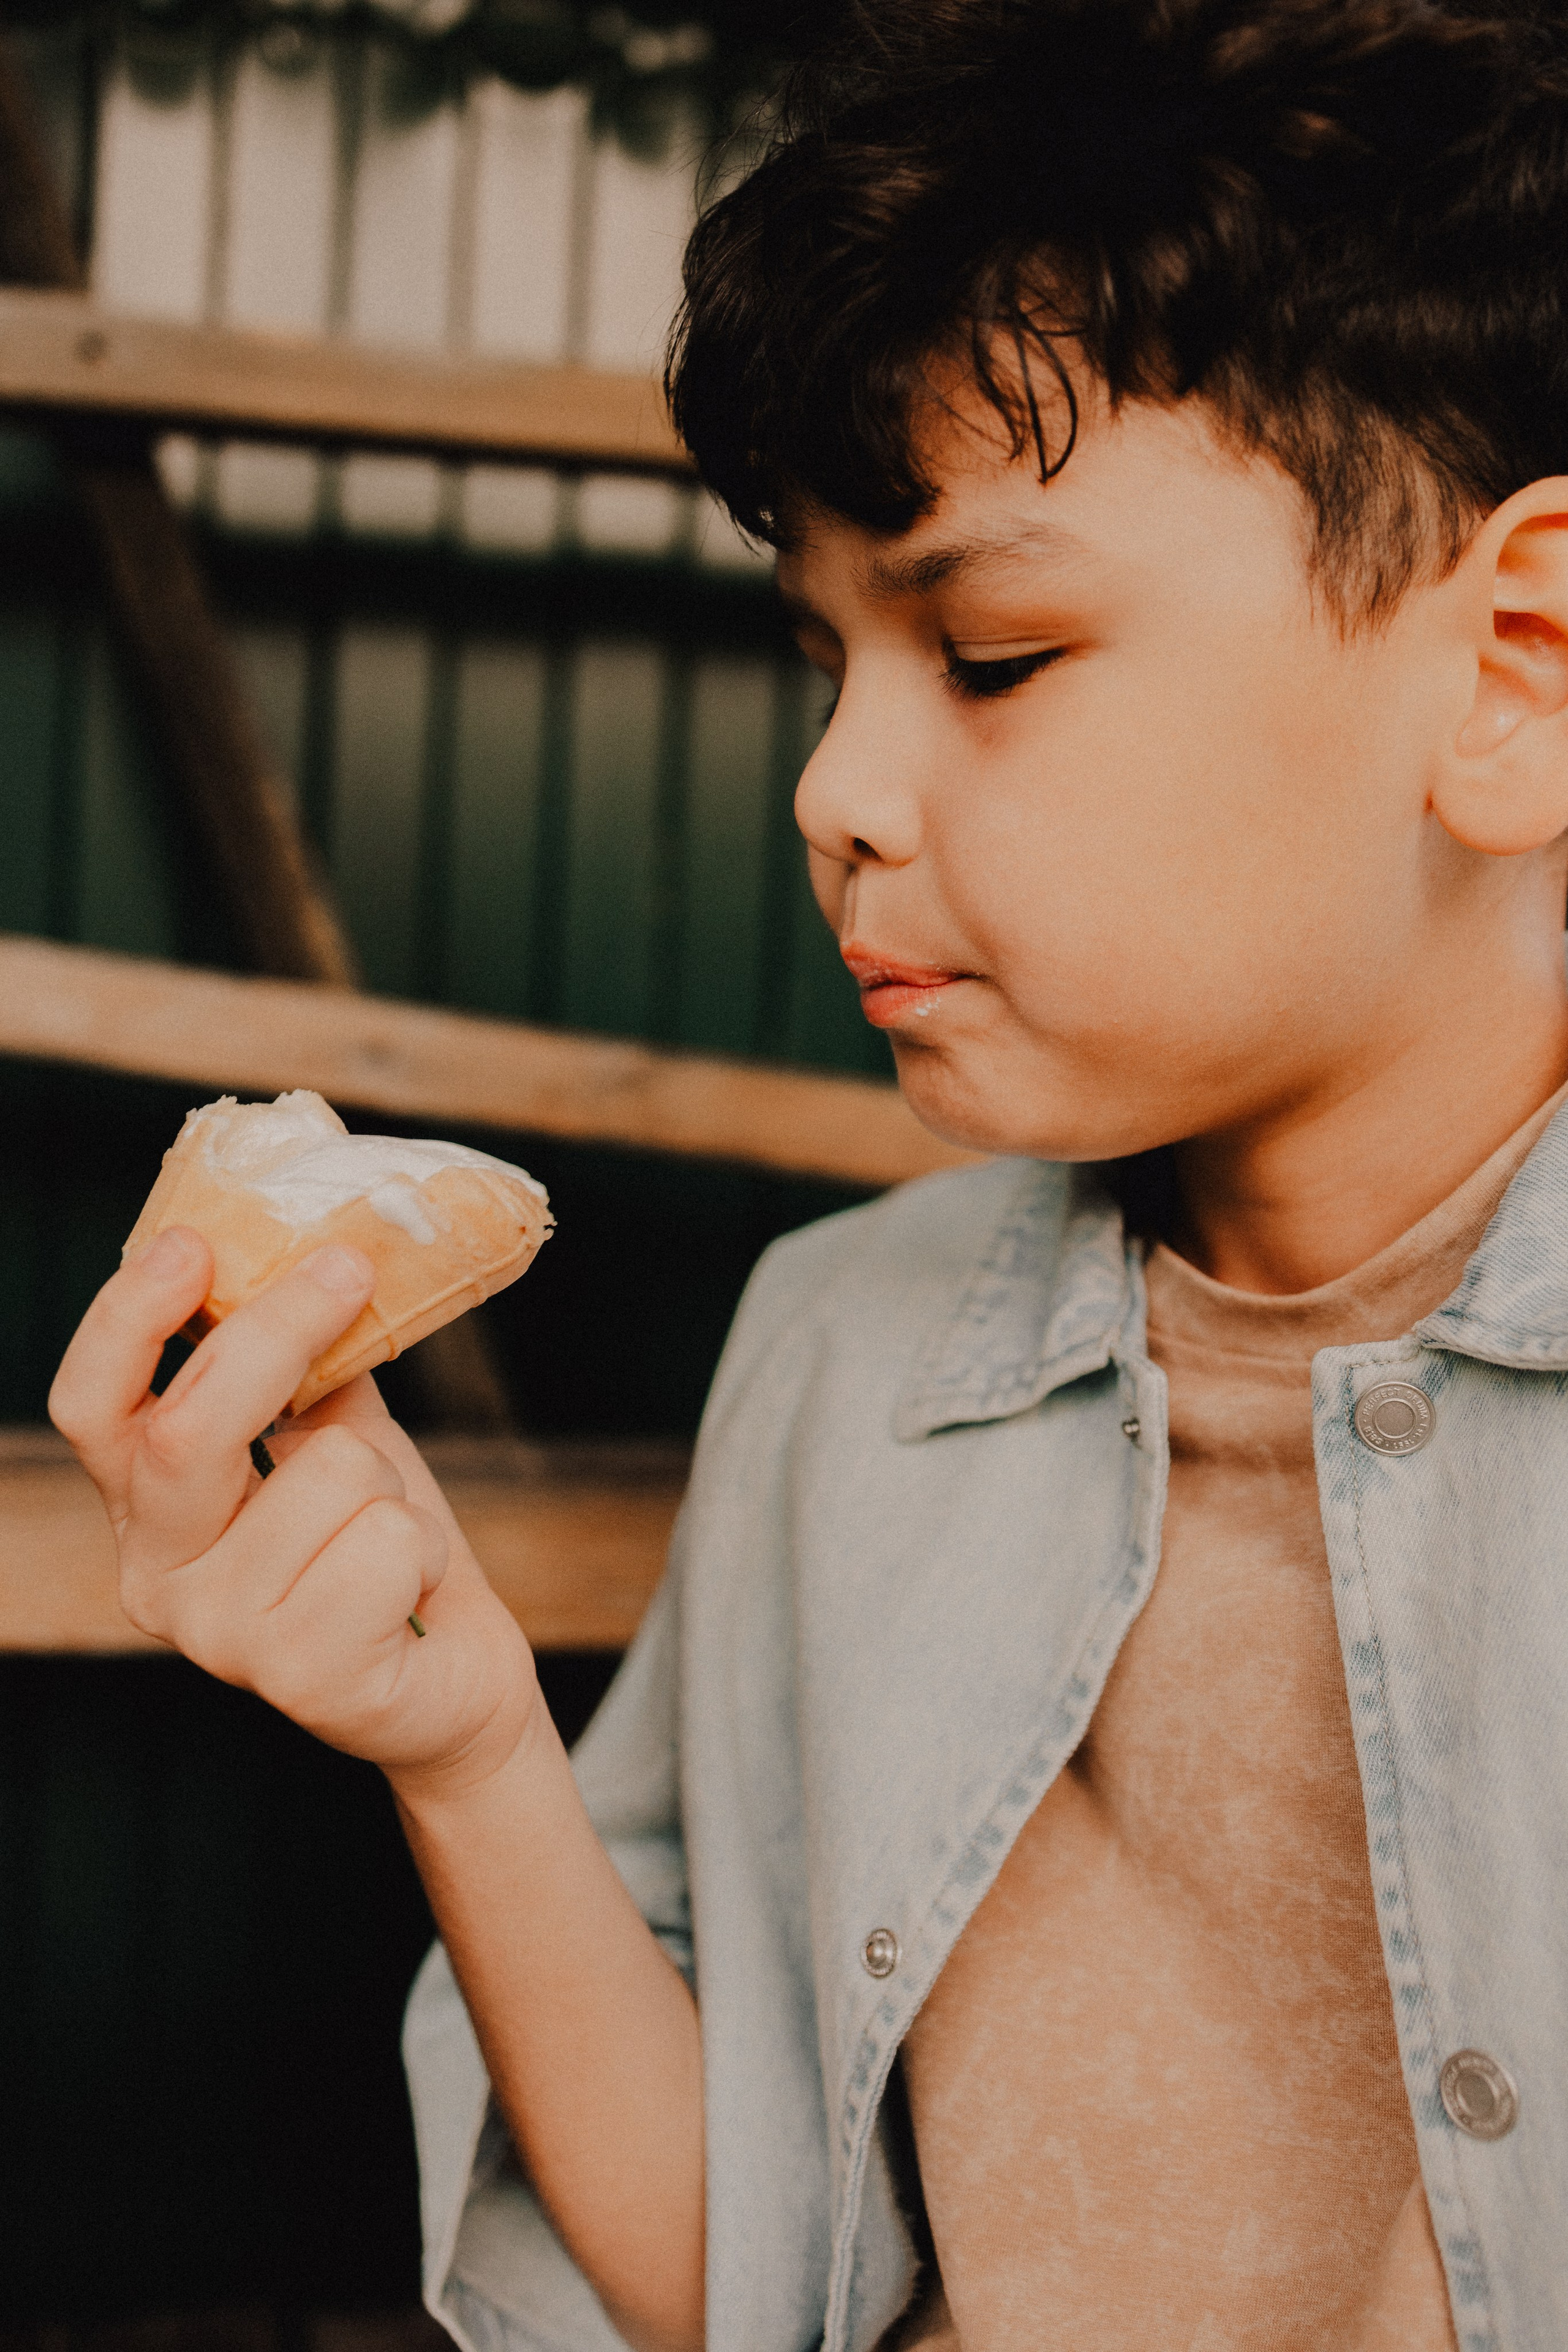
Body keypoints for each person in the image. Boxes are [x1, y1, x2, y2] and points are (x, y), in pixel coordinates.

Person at [50, 0, 1568, 2345]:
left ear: (1516, 667)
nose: (833, 791)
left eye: (994, 649)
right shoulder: (847, 1347)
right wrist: (465, 1743)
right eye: (826, 661)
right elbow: (744, 2280)